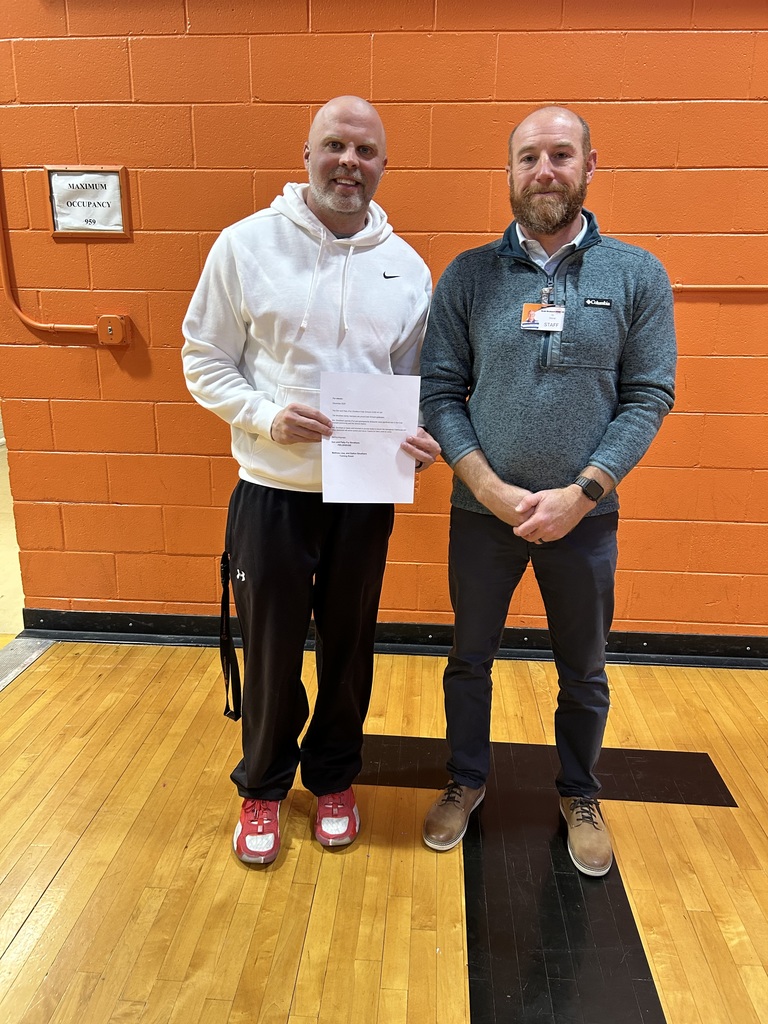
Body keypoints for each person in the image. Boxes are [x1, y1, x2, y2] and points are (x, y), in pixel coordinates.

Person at [419, 106, 676, 876]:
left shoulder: (636, 274)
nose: (544, 171)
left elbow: (649, 395)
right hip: (482, 515)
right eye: (528, 157)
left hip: (585, 518)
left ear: (590, 166)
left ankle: (580, 793)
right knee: (469, 658)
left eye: (561, 155)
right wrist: (487, 485)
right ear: (508, 172)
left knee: (584, 670)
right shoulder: (468, 276)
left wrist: (582, 493)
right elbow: (440, 392)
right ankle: (466, 780)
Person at [182, 96, 439, 865]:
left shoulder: (407, 268)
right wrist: (264, 416)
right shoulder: (244, 245)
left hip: (364, 493)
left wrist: (419, 437)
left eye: (365, 151)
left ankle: (333, 778)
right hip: (273, 491)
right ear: (307, 154)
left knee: (350, 647)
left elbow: (413, 382)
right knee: (270, 649)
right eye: (334, 145)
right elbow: (203, 360)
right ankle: (262, 786)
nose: (348, 162)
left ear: (383, 164)